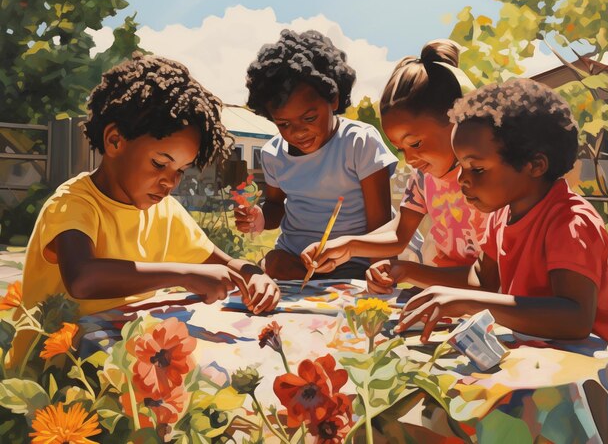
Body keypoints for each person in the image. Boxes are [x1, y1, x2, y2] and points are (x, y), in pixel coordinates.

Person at [19, 53, 280, 331]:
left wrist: (253, 274)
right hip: (59, 361)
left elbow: (224, 263)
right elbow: (83, 278)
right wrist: (185, 274)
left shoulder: (164, 210)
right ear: (115, 140)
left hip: (120, 349)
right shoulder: (72, 203)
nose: (170, 182)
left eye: (181, 170)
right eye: (159, 163)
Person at [391, 78, 608, 365]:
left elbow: (575, 318)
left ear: (535, 165)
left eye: (476, 169)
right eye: (462, 166)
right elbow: (481, 281)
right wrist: (408, 272)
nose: (463, 180)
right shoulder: (501, 215)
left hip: (590, 375)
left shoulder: (570, 222)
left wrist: (469, 302)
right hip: (539, 361)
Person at [301, 39, 488, 289]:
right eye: (401, 149)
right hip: (443, 293)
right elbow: (400, 234)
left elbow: (489, 280)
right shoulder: (424, 177)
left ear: (456, 121)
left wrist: (408, 271)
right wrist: (347, 246)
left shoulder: (490, 180)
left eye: (416, 143)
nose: (410, 159)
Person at [234, 30, 397, 280]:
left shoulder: (359, 142)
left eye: (309, 118)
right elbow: (276, 206)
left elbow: (380, 226)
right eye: (284, 124)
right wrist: (261, 217)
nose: (298, 132)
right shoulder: (273, 155)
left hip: (353, 260)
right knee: (273, 262)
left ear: (333, 99)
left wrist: (380, 274)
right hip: (296, 258)